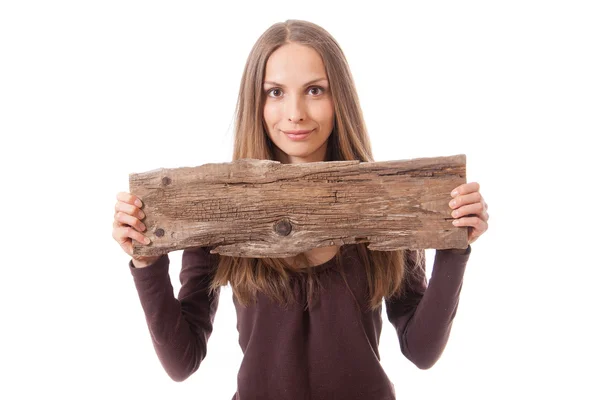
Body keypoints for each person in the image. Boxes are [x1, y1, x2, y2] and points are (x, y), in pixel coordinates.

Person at [112, 19, 489, 400]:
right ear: (255, 103)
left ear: (338, 97)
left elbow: (421, 350)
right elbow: (182, 362)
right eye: (275, 92)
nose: (295, 112)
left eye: (314, 90)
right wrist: (148, 262)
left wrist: (453, 247)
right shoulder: (218, 209)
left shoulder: (388, 203)